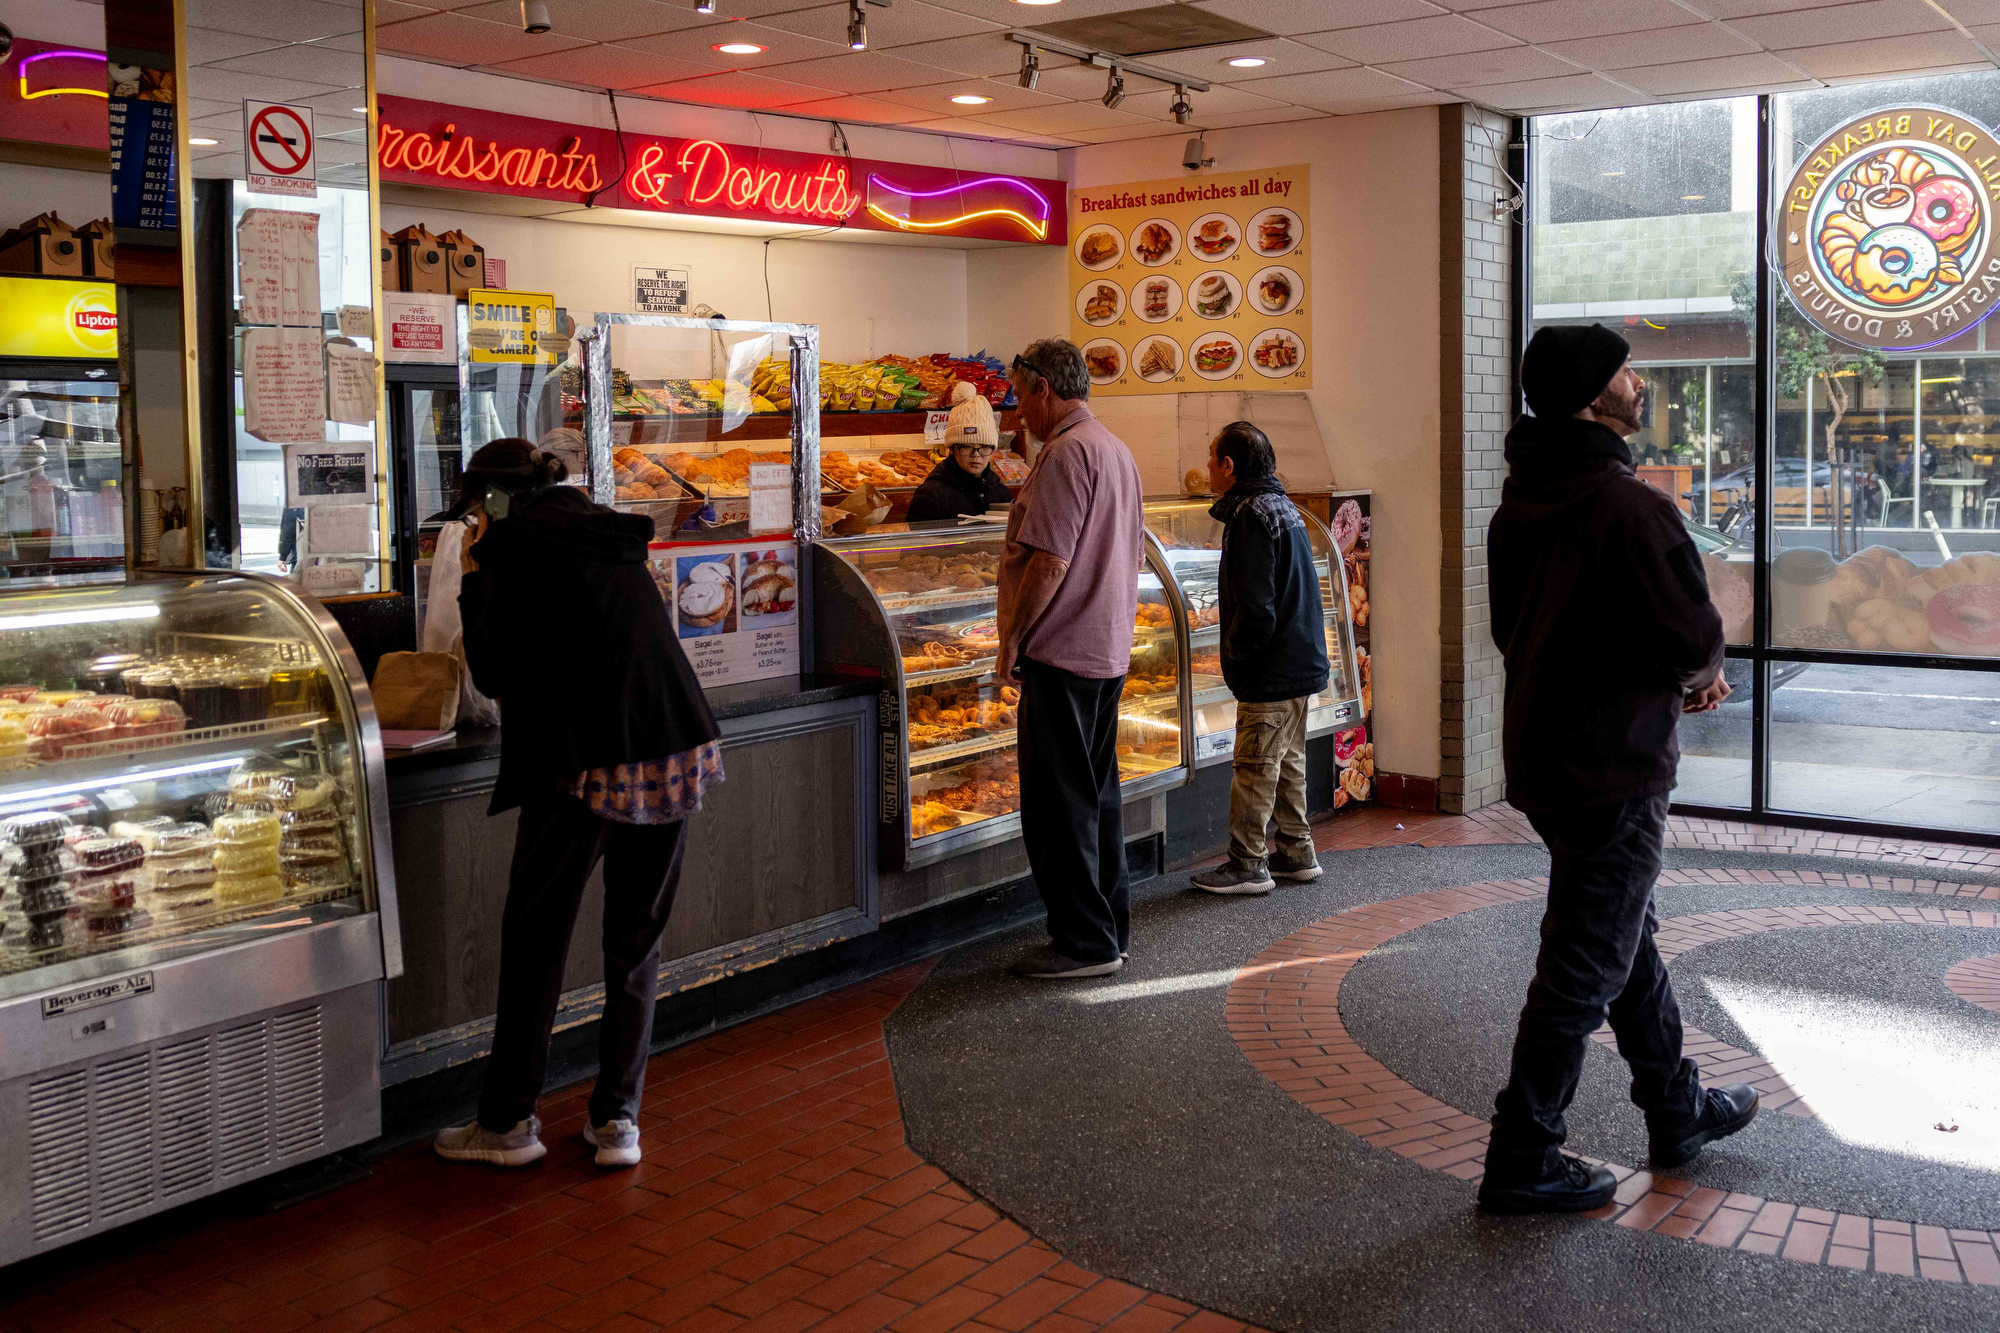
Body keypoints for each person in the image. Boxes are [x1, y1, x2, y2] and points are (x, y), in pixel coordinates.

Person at [1479, 324, 1757, 1215]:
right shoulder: (1631, 506)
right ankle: (1524, 1151)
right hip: (1618, 763)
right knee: (1583, 963)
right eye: (1627, 371)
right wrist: (1697, 677)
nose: (1640, 383)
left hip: (1546, 757)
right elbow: (1691, 633)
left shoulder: (1517, 503)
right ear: (1595, 393)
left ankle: (1677, 1110)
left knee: (1619, 935)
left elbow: (1509, 631)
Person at [432, 438, 722, 1171]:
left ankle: (506, 1124)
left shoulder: (515, 544)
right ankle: (618, 1120)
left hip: (590, 759)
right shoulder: (600, 527)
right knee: (634, 939)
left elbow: (493, 669)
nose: (473, 524)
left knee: (536, 940)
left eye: (475, 512)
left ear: (492, 503)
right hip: (676, 743)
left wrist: (473, 575)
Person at [999, 338, 1145, 979]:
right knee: (1097, 796)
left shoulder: (1063, 454)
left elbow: (1051, 561)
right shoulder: (1115, 449)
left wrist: (1012, 637)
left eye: (1019, 396)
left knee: (1060, 807)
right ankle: (1110, 929)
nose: (1016, 412)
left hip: (1062, 652)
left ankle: (1083, 944)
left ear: (1043, 390)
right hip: (1107, 647)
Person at [1189, 422, 1329, 895]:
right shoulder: (1283, 506)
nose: (1208, 466)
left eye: (1212, 458)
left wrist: (1237, 658)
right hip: (1298, 662)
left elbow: (1256, 606)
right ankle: (1296, 852)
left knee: (1253, 767)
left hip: (1270, 668)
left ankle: (1247, 863)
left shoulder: (1249, 515)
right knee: (1287, 761)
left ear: (1228, 466)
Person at [908, 385, 1013, 523]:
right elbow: (917, 542)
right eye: (967, 447)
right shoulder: (930, 495)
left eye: (984, 447)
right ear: (952, 449)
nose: (976, 455)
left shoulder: (1001, 493)